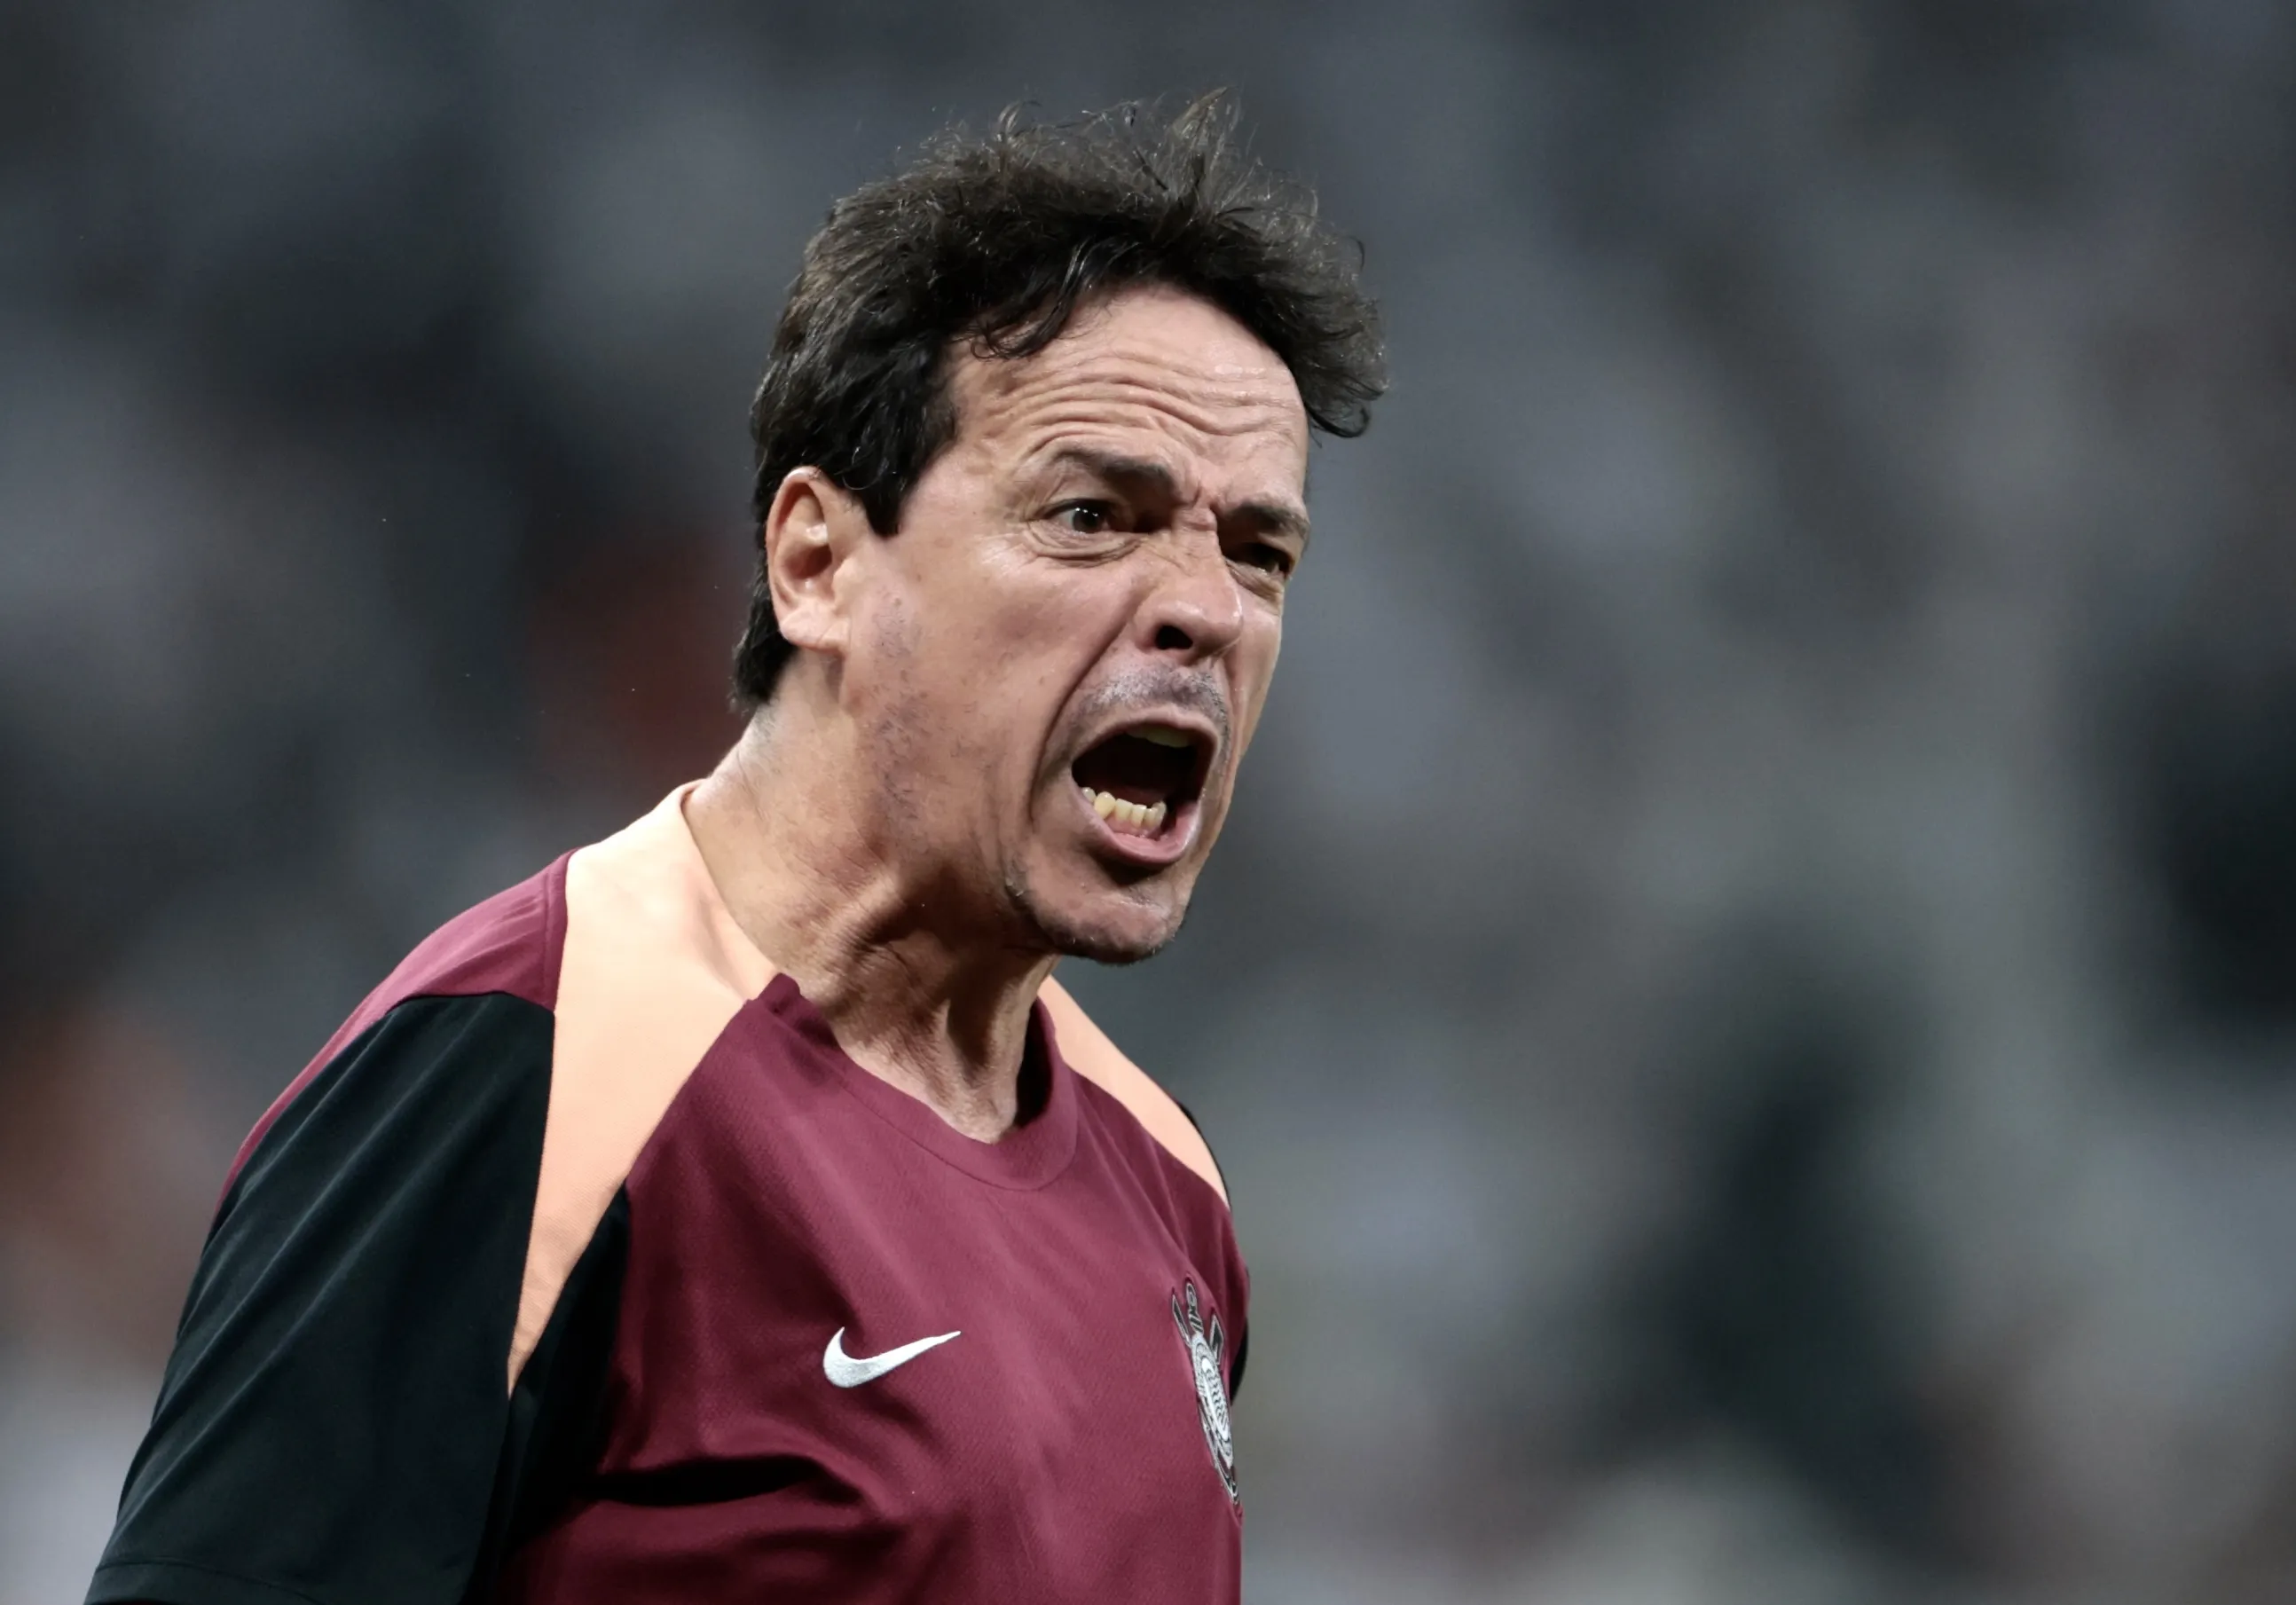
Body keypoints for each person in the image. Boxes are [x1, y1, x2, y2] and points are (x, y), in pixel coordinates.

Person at [86, 93, 1383, 1605]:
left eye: (1257, 551)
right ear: (817, 562)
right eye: (1094, 515)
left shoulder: (1171, 1193)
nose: (1206, 610)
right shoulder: (528, 1073)